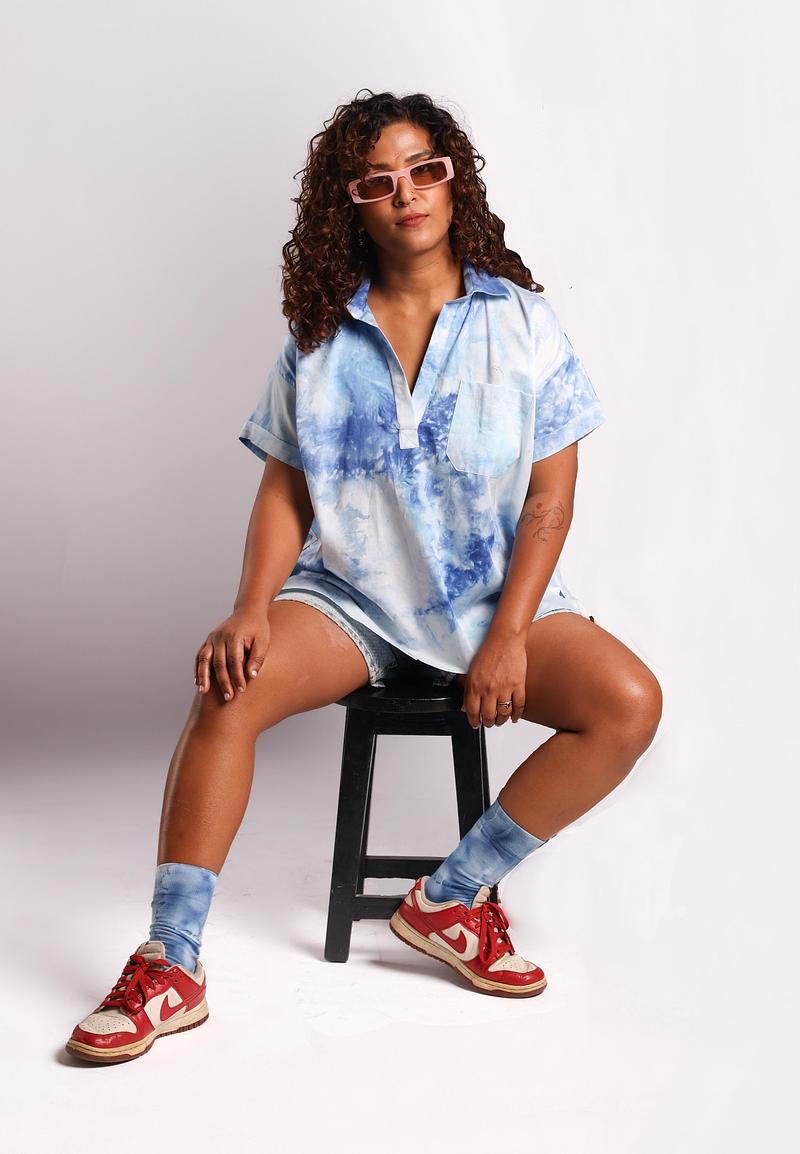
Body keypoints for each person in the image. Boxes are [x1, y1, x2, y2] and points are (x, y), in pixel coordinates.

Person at [65, 89, 662, 1062]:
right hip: (351, 603)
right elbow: (283, 491)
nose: (406, 193)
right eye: (377, 181)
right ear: (349, 205)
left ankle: (452, 896)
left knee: (629, 704)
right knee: (226, 689)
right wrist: (250, 606)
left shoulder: (521, 322)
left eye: (424, 169)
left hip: (490, 601)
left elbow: (549, 501)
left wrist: (511, 633)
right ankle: (171, 961)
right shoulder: (317, 335)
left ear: (454, 180)